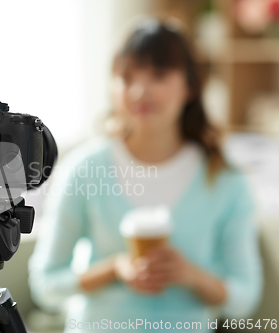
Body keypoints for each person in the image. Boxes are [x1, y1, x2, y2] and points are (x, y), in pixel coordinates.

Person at [28, 18, 263, 333]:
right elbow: (46, 285)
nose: (140, 91)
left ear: (191, 85)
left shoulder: (225, 179)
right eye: (126, 77)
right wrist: (115, 269)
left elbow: (244, 298)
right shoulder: (83, 170)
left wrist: (191, 275)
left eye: (159, 75)